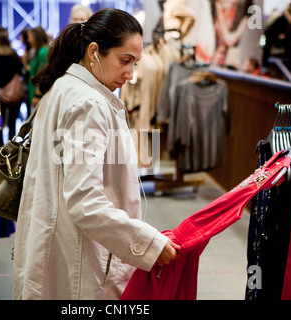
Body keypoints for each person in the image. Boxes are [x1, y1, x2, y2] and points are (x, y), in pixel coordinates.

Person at [12, 8, 179, 300]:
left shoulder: (63, 87)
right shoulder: (89, 103)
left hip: (58, 247)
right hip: (78, 261)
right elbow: (83, 199)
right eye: (125, 61)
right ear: (94, 52)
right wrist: (146, 244)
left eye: (135, 63)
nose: (130, 73)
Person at [0, 32, 24, 140]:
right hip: (15, 92)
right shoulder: (13, 54)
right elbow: (20, 70)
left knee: (0, 120)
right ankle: (12, 148)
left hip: (0, 92)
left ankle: (0, 147)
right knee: (12, 122)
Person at [27, 26, 49, 112]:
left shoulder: (43, 52)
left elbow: (43, 76)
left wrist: (36, 96)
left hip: (40, 97)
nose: (28, 40)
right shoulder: (39, 51)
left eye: (30, 37)